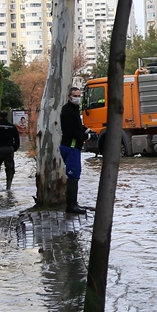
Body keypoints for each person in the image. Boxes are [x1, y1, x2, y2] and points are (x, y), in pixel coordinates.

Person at [60, 86, 89, 215]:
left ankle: (73, 203)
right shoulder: (68, 111)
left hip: (72, 146)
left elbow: (77, 126)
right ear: (69, 97)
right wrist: (85, 136)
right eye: (75, 96)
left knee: (75, 174)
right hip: (71, 146)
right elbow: (72, 131)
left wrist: (86, 130)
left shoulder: (73, 110)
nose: (77, 98)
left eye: (79, 96)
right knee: (73, 174)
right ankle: (71, 205)